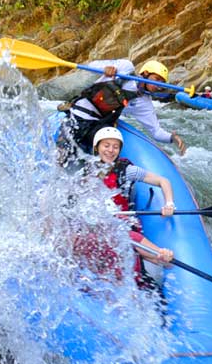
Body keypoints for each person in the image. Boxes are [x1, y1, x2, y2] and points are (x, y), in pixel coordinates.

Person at [71, 126, 175, 290]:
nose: (110, 150)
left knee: (124, 235)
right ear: (97, 147)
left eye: (115, 146)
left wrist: (169, 203)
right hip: (97, 223)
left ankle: (160, 256)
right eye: (106, 145)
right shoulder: (88, 171)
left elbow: (163, 181)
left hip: (123, 222)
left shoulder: (127, 170)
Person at [56, 59, 187, 167]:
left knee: (110, 149)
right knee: (62, 159)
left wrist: (172, 138)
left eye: (162, 83)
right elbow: (91, 66)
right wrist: (106, 69)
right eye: (156, 79)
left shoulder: (144, 103)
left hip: (96, 126)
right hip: (77, 117)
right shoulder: (125, 68)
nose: (158, 85)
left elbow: (156, 132)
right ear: (146, 73)